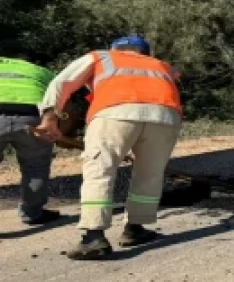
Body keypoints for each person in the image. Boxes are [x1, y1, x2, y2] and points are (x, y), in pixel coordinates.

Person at [33, 35, 182, 260]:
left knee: (100, 169)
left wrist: (49, 118)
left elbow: (62, 83)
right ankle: (135, 228)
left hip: (115, 112)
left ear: (114, 48)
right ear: (145, 52)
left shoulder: (101, 57)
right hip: (165, 116)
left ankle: (94, 237)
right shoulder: (160, 65)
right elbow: (173, 82)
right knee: (149, 174)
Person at [0, 57, 59, 225]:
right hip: (33, 118)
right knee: (35, 167)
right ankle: (32, 213)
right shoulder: (37, 69)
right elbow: (59, 92)